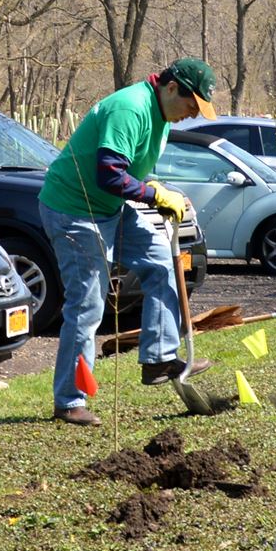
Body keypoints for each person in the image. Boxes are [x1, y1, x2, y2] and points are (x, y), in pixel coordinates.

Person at [38, 58, 217, 427]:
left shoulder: (162, 116)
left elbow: (132, 172)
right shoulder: (129, 108)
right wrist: (153, 195)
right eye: (191, 104)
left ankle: (159, 359)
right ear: (171, 88)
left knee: (162, 265)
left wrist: (163, 191)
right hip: (74, 209)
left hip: (112, 208)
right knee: (87, 306)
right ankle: (70, 401)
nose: (191, 114)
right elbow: (109, 175)